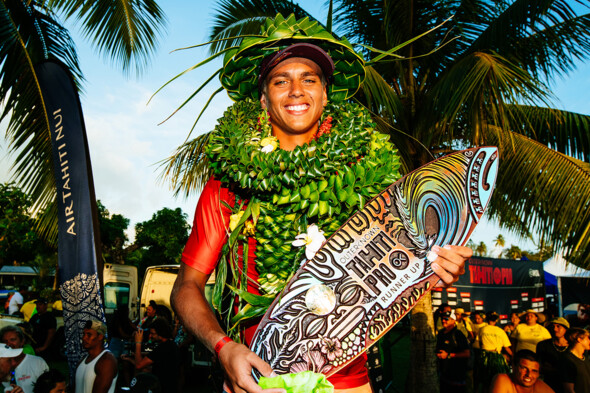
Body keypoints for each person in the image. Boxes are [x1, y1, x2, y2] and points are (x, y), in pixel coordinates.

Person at [171, 15, 472, 393]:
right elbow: (186, 286)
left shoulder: (371, 182)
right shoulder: (229, 186)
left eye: (309, 79)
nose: (296, 90)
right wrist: (223, 346)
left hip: (351, 385)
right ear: (264, 99)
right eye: (281, 81)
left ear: (326, 94)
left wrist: (436, 266)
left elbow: (392, 278)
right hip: (259, 381)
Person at [121, 319, 180, 392]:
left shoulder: (162, 348)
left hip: (162, 387)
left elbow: (139, 365)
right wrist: (130, 359)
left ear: (160, 334)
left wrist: (138, 343)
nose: (150, 336)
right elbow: (155, 363)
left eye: (153, 334)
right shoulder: (171, 345)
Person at [74, 320, 118, 393]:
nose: (84, 338)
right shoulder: (82, 361)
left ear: (100, 337)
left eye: (89, 335)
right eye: (83, 334)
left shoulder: (107, 361)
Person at [475, 311, 512, 392]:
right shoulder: (500, 331)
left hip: (484, 357)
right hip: (497, 358)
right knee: (497, 380)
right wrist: (513, 356)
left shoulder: (482, 330)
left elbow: (478, 344)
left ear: (487, 319)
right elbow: (506, 347)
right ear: (496, 320)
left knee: (484, 381)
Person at [435, 311, 471, 393]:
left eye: (446, 319)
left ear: (453, 320)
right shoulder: (441, 333)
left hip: (456, 374)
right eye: (442, 319)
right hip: (443, 374)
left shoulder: (458, 334)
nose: (443, 321)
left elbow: (467, 353)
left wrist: (448, 355)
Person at [490, 349, 555, 393]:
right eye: (524, 368)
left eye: (534, 371)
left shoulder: (540, 387)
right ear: (513, 366)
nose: (528, 374)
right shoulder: (503, 380)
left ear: (538, 374)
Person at [536, 317, 570, 393]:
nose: (555, 329)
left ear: (566, 329)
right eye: (552, 326)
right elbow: (539, 366)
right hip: (550, 384)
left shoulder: (573, 346)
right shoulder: (543, 345)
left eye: (558, 326)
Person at [561, 328, 590, 393]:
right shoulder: (567, 360)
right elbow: (569, 389)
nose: (589, 341)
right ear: (579, 339)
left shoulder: (584, 358)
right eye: (587, 338)